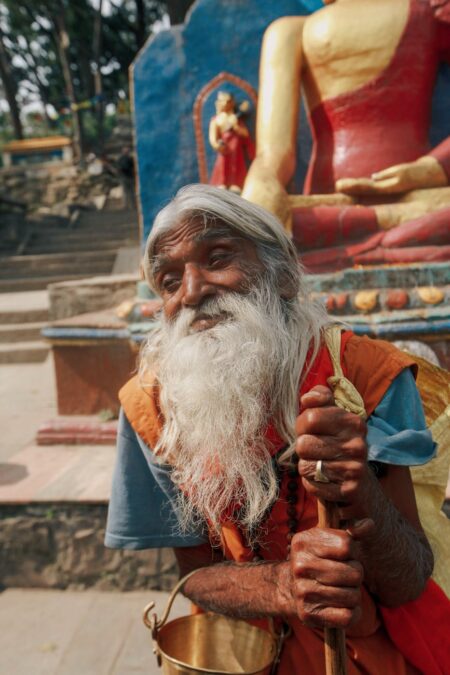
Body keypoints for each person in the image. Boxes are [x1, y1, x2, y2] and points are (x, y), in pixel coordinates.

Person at [105, 185, 449, 674]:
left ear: (284, 273)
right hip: (237, 655)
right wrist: (282, 586)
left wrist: (360, 491)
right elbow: (193, 574)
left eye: (218, 257)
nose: (193, 291)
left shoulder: (366, 376)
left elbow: (408, 579)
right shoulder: (151, 406)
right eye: (168, 280)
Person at [242, 0, 450, 270]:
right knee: (270, 226)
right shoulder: (290, 33)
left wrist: (428, 169)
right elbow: (273, 154)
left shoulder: (427, 13)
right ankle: (386, 236)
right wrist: (262, 185)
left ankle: (377, 240)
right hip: (330, 206)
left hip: (419, 198)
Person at [208, 91, 255, 193]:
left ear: (232, 103)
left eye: (227, 101)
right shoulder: (216, 120)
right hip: (224, 150)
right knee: (222, 166)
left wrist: (236, 127)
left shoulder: (235, 119)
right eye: (222, 101)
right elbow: (213, 138)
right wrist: (217, 145)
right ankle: (222, 183)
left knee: (237, 166)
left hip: (236, 151)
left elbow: (245, 134)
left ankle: (236, 184)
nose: (224, 104)